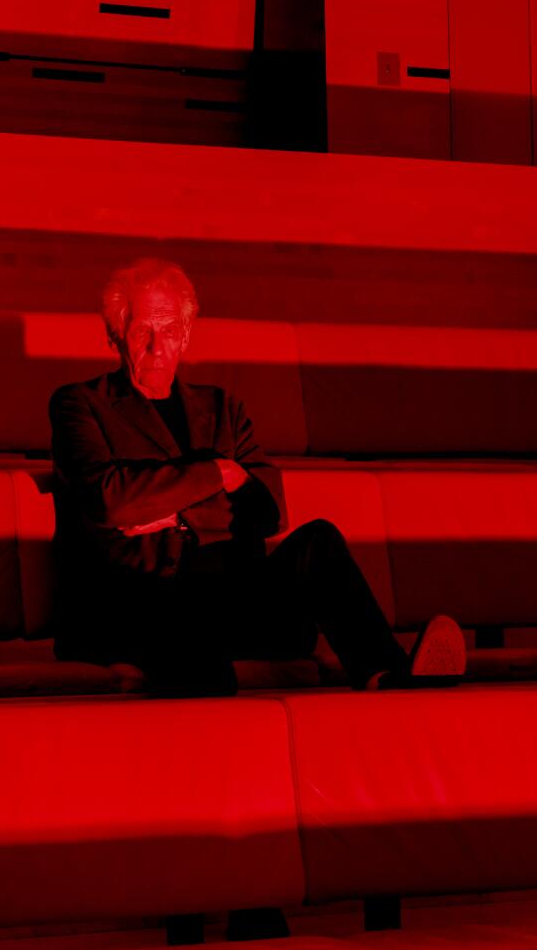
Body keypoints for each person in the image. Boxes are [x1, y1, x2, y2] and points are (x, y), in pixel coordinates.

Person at [48, 257, 465, 697]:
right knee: (195, 657)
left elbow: (268, 512)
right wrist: (220, 473)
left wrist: (168, 510)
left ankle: (388, 675)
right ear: (115, 335)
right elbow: (111, 501)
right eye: (141, 332)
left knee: (318, 541)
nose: (156, 347)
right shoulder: (79, 405)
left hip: (233, 603)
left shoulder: (222, 408)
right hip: (142, 608)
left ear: (186, 335)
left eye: (169, 331)